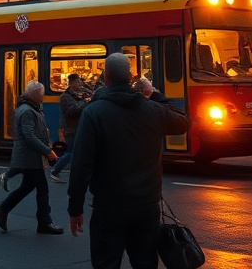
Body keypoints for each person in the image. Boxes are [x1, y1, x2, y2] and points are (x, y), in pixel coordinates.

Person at [66, 53, 190, 268]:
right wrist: (154, 94)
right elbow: (182, 122)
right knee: (145, 263)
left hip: (109, 207)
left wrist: (75, 208)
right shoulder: (151, 109)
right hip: (146, 206)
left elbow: (81, 165)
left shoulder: (94, 112)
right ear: (131, 77)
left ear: (105, 79)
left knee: (106, 262)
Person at [0, 81, 63, 235]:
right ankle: (45, 222)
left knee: (28, 186)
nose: (43, 97)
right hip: (30, 157)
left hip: (30, 157)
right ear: (35, 95)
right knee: (42, 188)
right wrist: (47, 151)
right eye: (42, 95)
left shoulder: (29, 108)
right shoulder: (28, 111)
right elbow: (29, 136)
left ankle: (3, 209)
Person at [50, 74, 90, 183]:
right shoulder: (65, 97)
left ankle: (80, 174)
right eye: (78, 82)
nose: (80, 84)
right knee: (71, 152)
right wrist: (84, 102)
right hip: (71, 129)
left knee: (77, 152)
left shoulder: (77, 94)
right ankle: (55, 170)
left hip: (77, 128)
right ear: (72, 84)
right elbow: (70, 111)